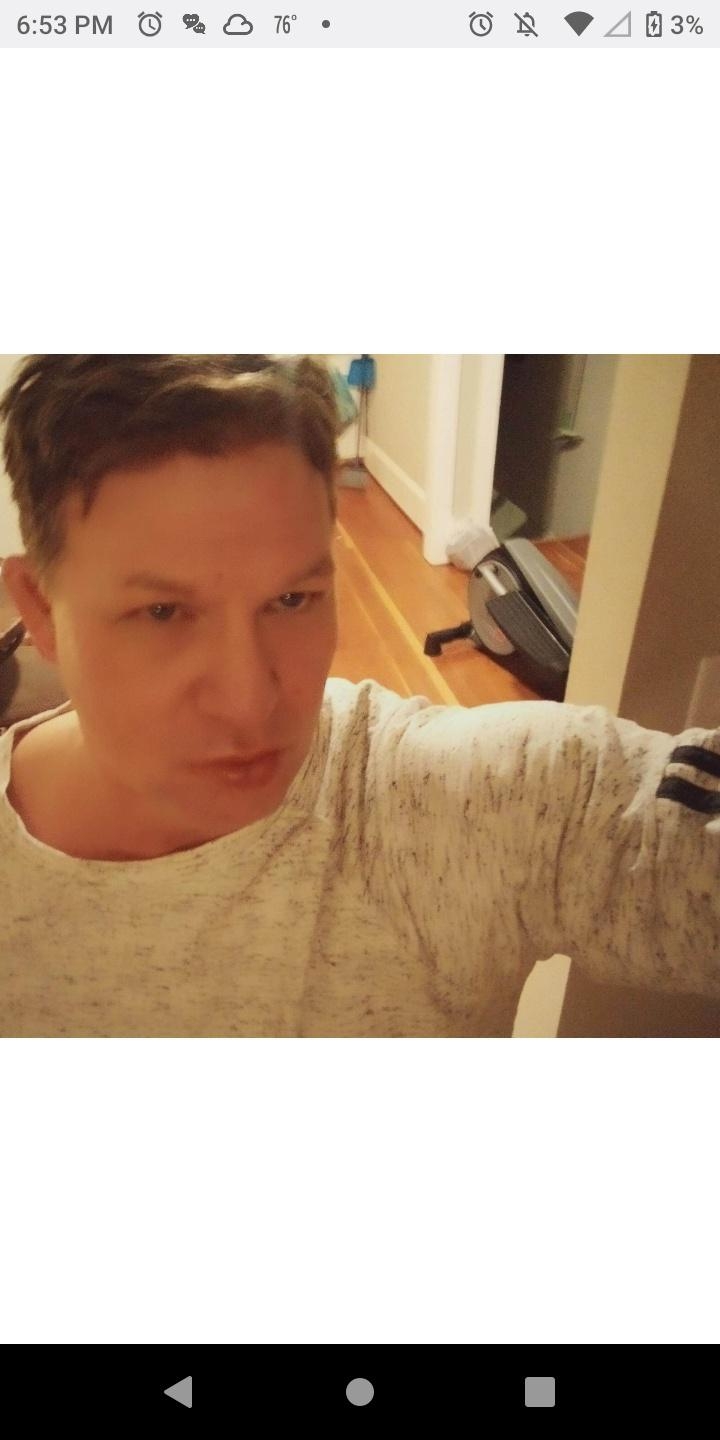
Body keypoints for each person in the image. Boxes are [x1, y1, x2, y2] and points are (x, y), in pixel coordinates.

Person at [0, 354, 718, 1038]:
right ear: (39, 609)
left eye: (292, 598)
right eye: (162, 613)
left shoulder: (465, 807)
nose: (250, 703)